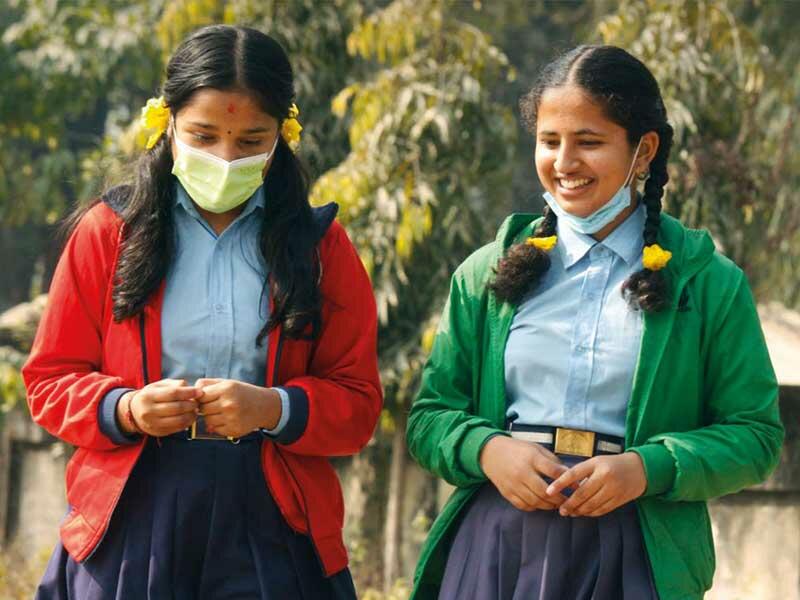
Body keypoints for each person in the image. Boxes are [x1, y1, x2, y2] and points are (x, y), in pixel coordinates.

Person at [405, 45, 783, 600]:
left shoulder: (707, 283)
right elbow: (429, 417)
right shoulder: (487, 273)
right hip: (500, 543)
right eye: (549, 141)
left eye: (589, 142)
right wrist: (488, 451)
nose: (563, 162)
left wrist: (646, 467)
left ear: (644, 150)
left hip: (636, 547)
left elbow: (755, 434)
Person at [23, 24, 382, 600]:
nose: (224, 157)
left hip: (272, 513)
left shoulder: (319, 247)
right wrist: (128, 408)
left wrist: (275, 407)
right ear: (167, 124)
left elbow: (359, 402)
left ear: (282, 135)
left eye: (249, 140)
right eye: (204, 135)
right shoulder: (107, 234)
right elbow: (47, 381)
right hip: (132, 509)